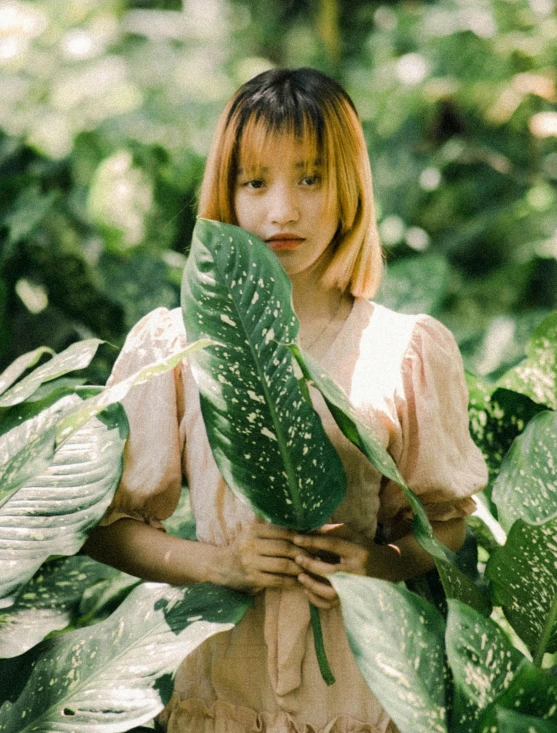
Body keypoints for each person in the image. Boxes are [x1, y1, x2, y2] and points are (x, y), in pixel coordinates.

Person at [84, 68, 487, 733]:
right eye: (255, 182)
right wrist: (221, 562)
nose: (282, 211)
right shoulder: (177, 344)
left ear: (348, 187)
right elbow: (107, 524)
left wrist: (381, 562)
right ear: (228, 193)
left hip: (363, 691)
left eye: (309, 178)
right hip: (221, 681)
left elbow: (441, 521)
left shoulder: (404, 347)